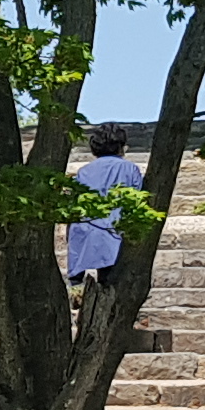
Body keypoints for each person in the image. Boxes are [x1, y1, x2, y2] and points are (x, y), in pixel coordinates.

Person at [67, 123, 143, 290]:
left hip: (86, 233)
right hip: (115, 234)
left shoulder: (84, 171)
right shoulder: (130, 169)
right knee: (110, 284)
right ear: (121, 146)